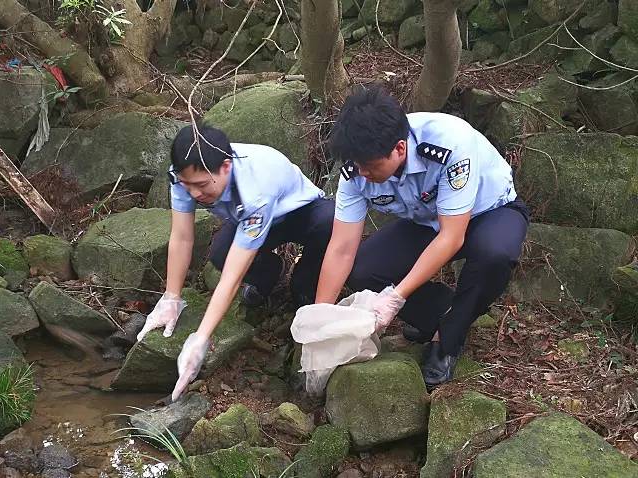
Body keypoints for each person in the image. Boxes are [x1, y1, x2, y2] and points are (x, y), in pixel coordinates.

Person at [314, 87, 529, 388]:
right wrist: (319, 318)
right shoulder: (357, 169)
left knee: (495, 254)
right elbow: (341, 249)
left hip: (491, 212)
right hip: (429, 222)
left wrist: (395, 297)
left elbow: (452, 237)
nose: (363, 174)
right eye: (358, 166)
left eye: (372, 167)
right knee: (364, 270)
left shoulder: (448, 144)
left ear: (399, 149)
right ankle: (443, 313)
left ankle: (447, 341)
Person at [136, 125, 334, 401]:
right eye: (187, 185)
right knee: (220, 253)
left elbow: (231, 276)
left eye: (202, 186)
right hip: (248, 221)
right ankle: (268, 276)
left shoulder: (256, 189)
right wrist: (171, 298)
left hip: (300, 213)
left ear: (226, 167)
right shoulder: (183, 173)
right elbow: (181, 237)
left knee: (329, 224)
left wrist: (200, 338)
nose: (194, 194)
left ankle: (304, 284)